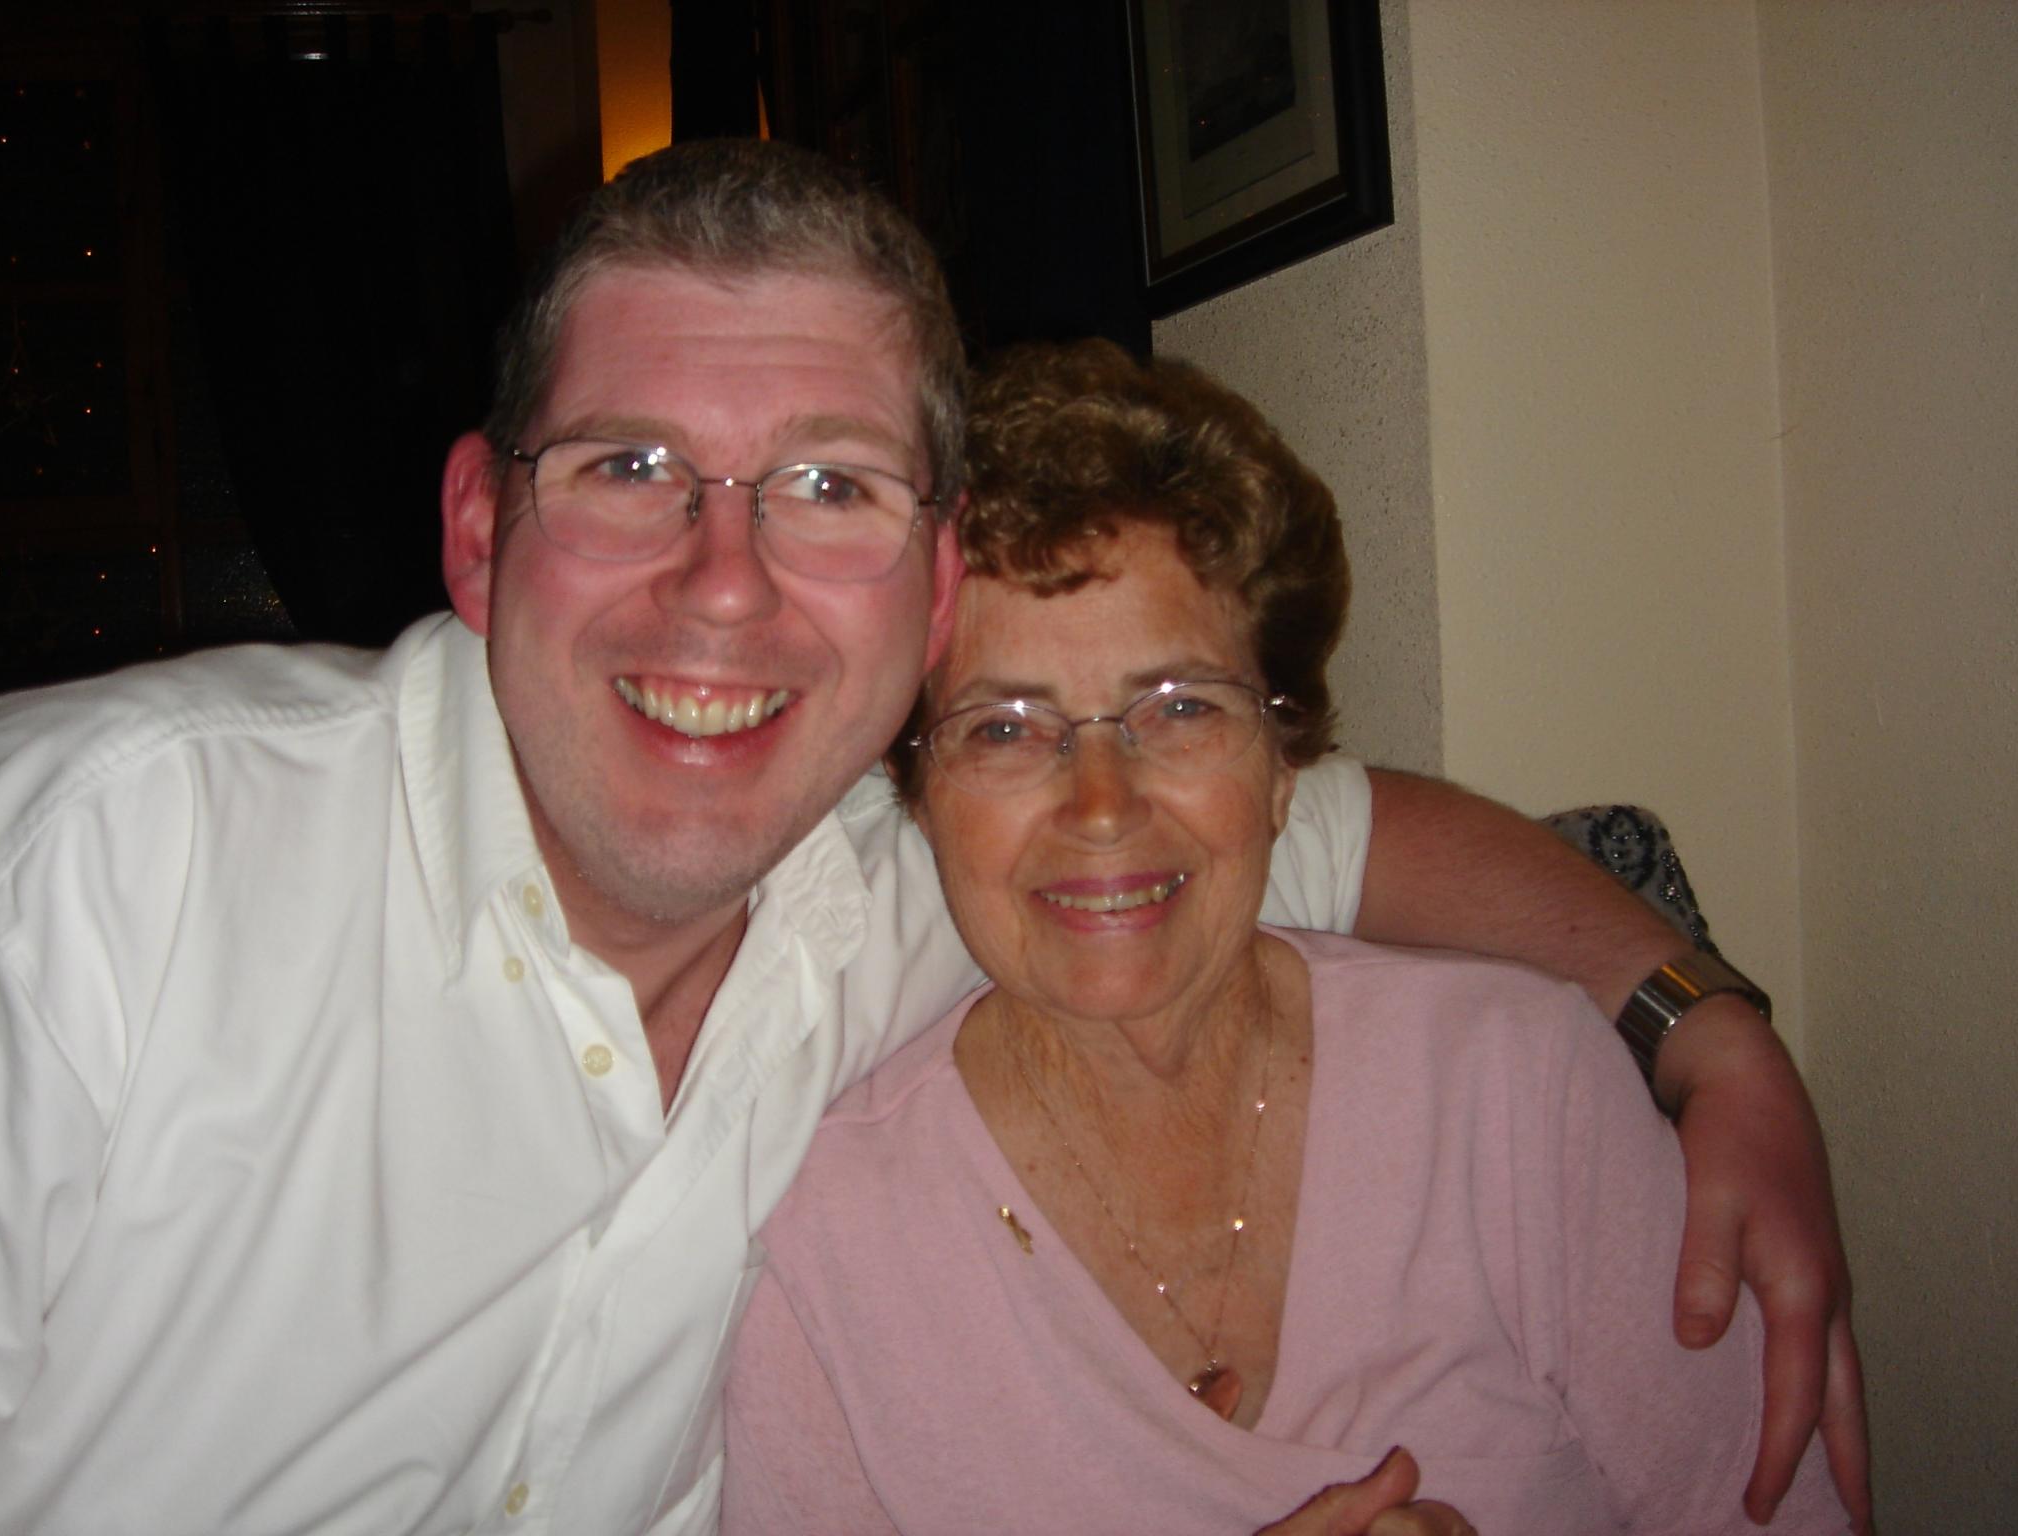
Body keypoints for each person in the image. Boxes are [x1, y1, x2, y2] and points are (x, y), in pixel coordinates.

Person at [0, 141, 1861, 1535]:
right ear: (479, 532)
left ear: (933, 584)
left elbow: (1342, 838)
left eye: (827, 483)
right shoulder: (80, 884)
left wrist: (1706, 1033)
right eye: (630, 466)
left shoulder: (931, 875)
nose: (723, 583)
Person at [720, 340, 1850, 1534]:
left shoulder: (1521, 1090)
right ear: (914, 791)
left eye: (1179, 710)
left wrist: (1716, 1035)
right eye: (1002, 728)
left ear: (1280, 770)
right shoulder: (821, 1248)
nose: (1100, 805)